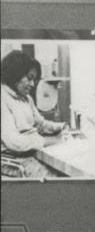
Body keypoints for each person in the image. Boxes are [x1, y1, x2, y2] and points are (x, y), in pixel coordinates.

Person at [1, 49, 67, 179]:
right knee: (60, 180)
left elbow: (41, 124)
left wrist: (61, 126)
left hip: (30, 155)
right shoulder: (2, 98)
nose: (32, 84)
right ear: (14, 74)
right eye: (30, 78)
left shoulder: (26, 99)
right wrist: (50, 141)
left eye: (35, 80)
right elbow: (14, 142)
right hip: (14, 162)